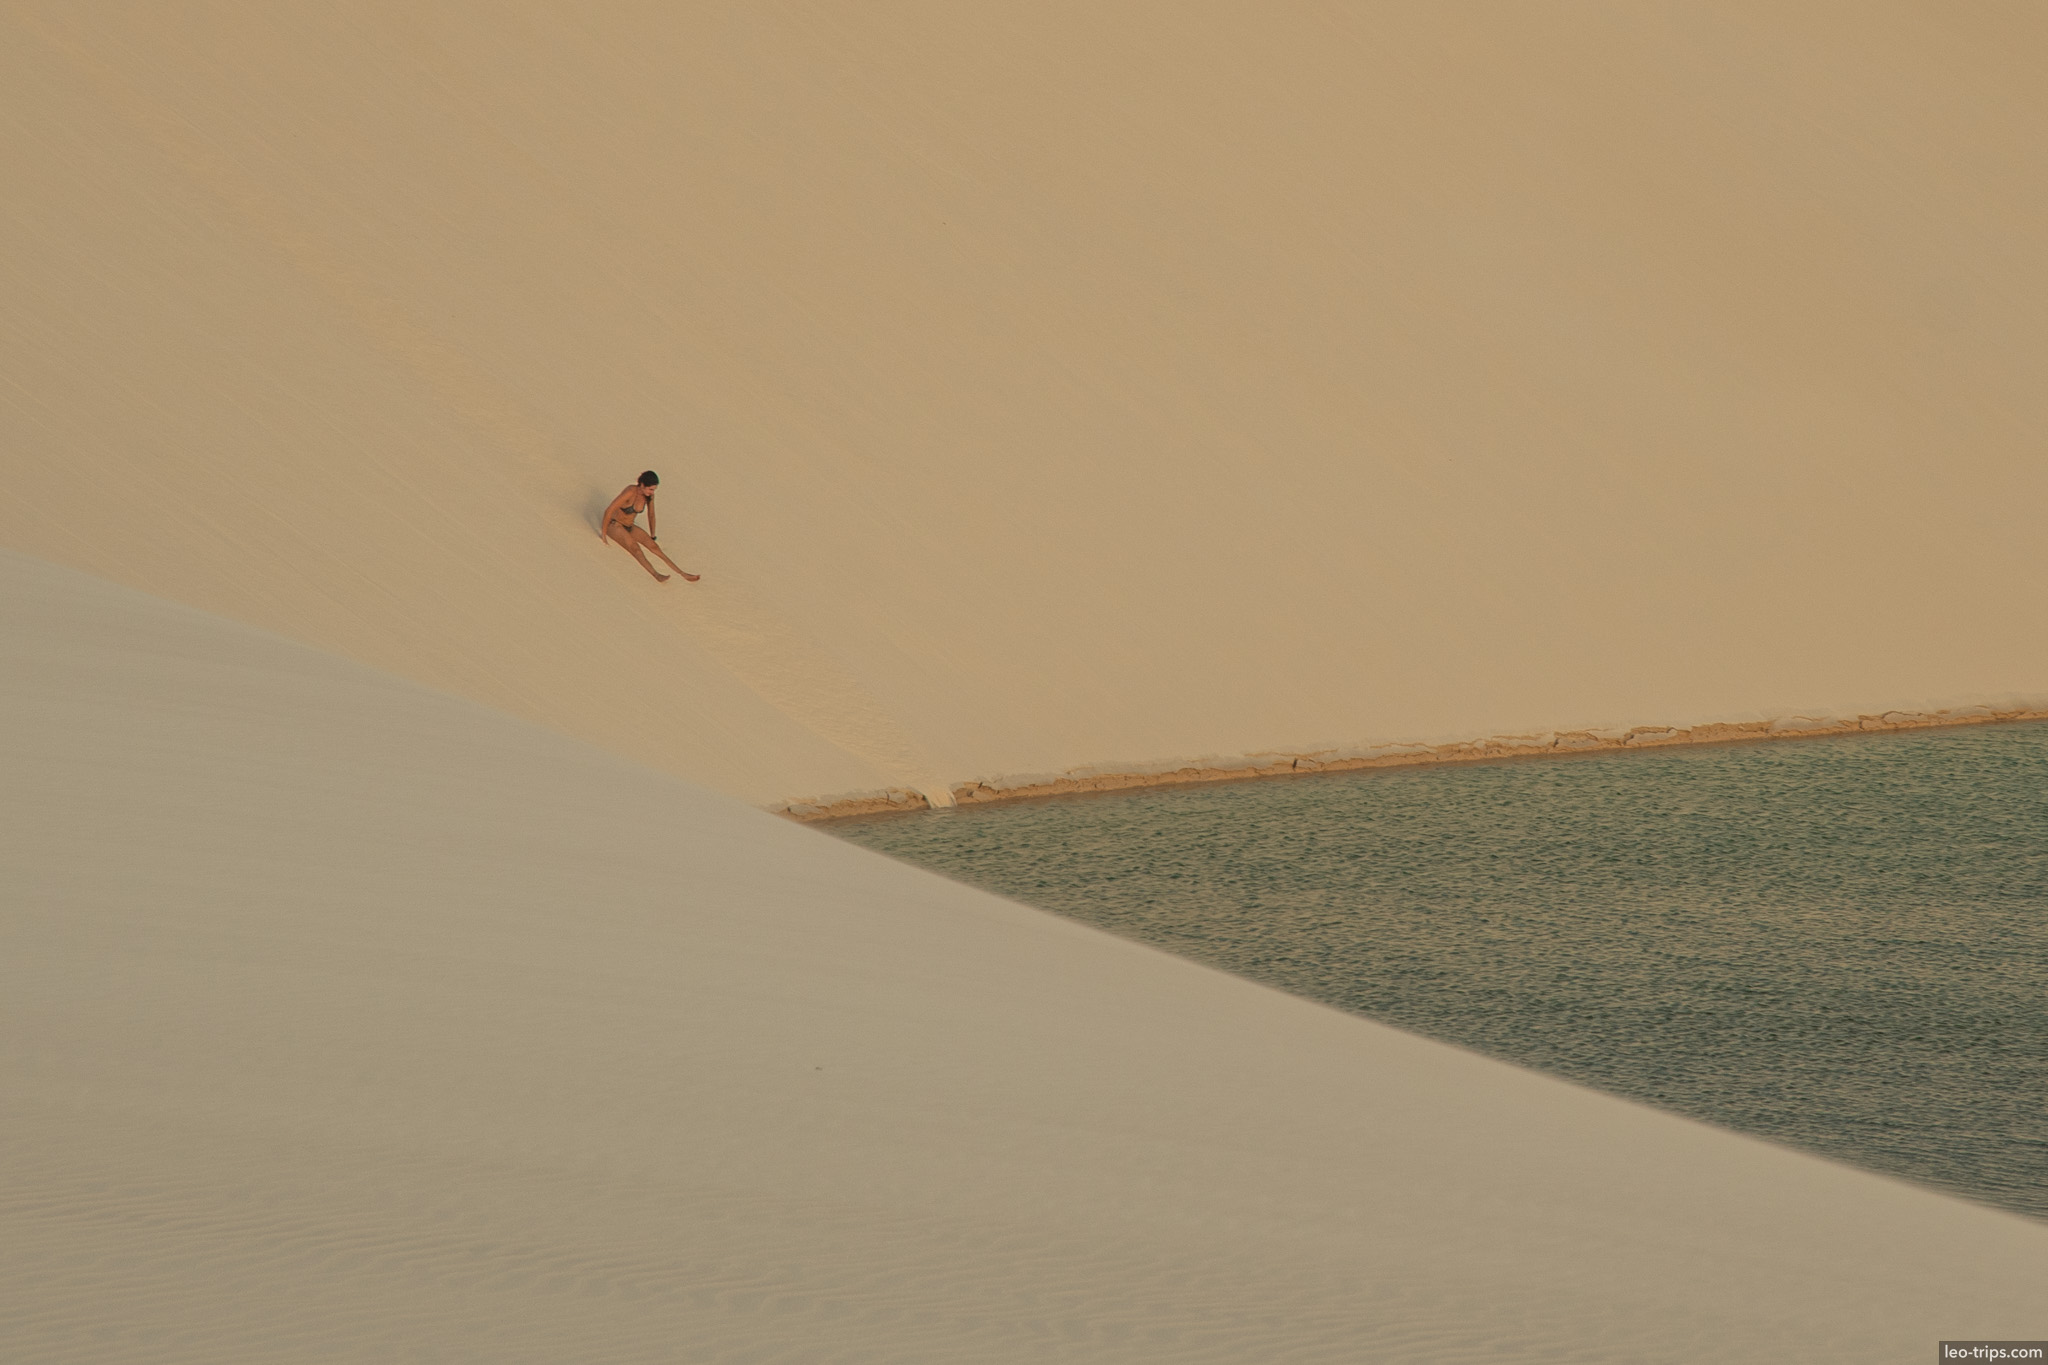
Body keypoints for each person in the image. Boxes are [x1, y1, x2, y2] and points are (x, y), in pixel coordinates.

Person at [599, 471, 698, 583]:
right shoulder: (630, 492)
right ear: (642, 485)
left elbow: (651, 515)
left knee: (654, 547)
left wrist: (652, 535)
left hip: (629, 525)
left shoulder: (649, 497)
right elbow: (609, 510)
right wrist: (603, 534)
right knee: (635, 549)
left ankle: (682, 573)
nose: (652, 492)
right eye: (650, 489)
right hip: (614, 525)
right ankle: (656, 575)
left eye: (654, 489)